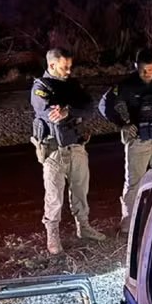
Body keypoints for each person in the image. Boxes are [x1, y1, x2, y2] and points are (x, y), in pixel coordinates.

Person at [29, 48, 107, 255]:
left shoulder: (73, 85)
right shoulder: (40, 87)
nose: (69, 71)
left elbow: (89, 107)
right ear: (52, 65)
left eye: (70, 67)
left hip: (76, 146)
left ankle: (84, 227)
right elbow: (48, 112)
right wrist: (68, 110)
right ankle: (52, 234)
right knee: (54, 196)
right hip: (54, 151)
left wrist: (68, 111)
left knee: (81, 191)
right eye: (65, 67)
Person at [98, 48, 152, 232]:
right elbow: (104, 105)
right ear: (136, 66)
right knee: (134, 183)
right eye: (143, 69)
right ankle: (128, 224)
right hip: (138, 141)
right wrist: (122, 124)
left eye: (150, 69)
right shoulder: (127, 85)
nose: (146, 73)